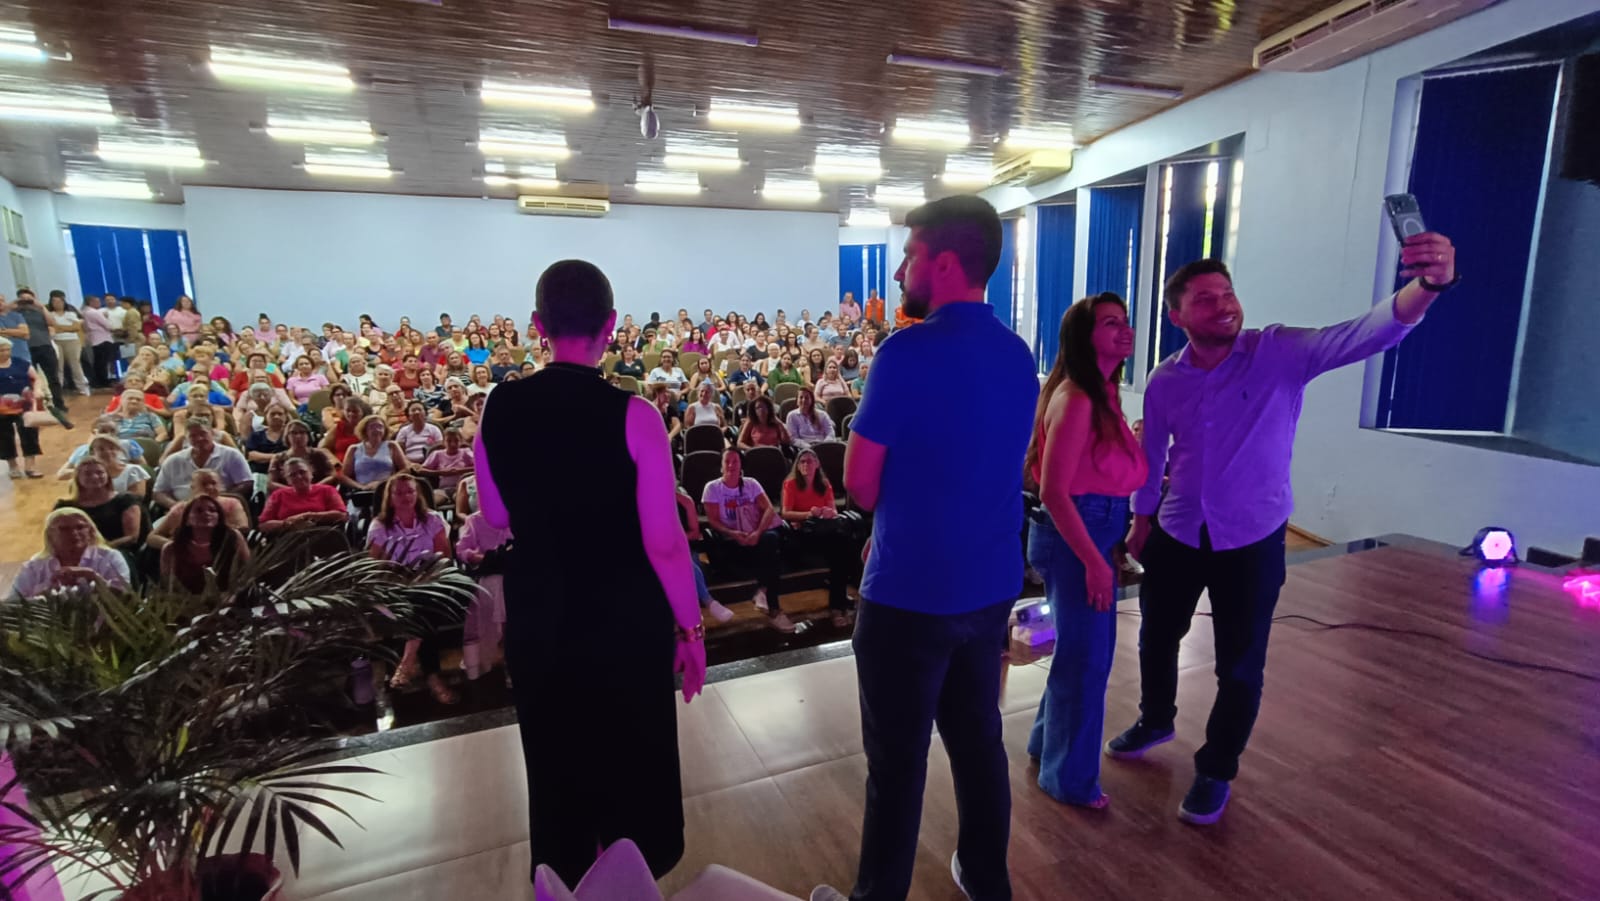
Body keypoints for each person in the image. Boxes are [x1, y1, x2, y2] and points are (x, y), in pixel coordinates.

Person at [1107, 233, 1459, 825]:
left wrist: (1428, 285)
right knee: (1156, 638)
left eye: (1227, 293)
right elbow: (1154, 453)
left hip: (1252, 539)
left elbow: (1365, 332)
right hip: (1178, 531)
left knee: (1240, 664)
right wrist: (1141, 521)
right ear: (1176, 316)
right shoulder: (1166, 379)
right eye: (1204, 298)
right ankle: (1156, 718)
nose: (1223, 305)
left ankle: (1217, 768)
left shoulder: (1279, 352)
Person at [814, 196, 1037, 901]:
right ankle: (987, 879)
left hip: (909, 592)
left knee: (898, 764)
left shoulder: (903, 353)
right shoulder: (1019, 354)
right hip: (991, 584)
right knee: (978, 742)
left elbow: (860, 485)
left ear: (942, 263)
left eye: (908, 254)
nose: (899, 270)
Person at [475, 260, 703, 886]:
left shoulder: (500, 405)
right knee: (632, 766)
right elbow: (665, 543)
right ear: (611, 325)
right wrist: (690, 630)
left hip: (541, 613)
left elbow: (495, 513)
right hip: (623, 618)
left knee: (557, 769)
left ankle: (568, 885)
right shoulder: (636, 415)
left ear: (538, 324)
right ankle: (628, 884)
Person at [1021, 292, 1147, 811]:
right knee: (1088, 660)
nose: (1125, 329)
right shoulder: (1076, 398)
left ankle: (1045, 746)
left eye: (1125, 320)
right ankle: (1068, 779)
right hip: (1076, 534)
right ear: (1083, 336)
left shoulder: (1102, 394)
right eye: (1110, 323)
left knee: (1080, 653)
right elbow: (1055, 492)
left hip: (1094, 529)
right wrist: (1095, 561)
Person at [701, 448, 790, 631]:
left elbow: (769, 509)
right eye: (727, 461)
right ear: (721, 466)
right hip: (731, 541)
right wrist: (733, 533)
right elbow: (713, 521)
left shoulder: (751, 484)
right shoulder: (712, 488)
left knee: (771, 538)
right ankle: (768, 599)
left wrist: (757, 533)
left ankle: (768, 599)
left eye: (735, 461)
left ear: (741, 465)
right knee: (771, 557)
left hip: (754, 536)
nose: (731, 465)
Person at [781, 447, 861, 628]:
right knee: (843, 549)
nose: (806, 464)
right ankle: (842, 603)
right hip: (803, 533)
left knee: (842, 550)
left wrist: (826, 512)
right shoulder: (791, 484)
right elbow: (786, 513)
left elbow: (833, 510)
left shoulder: (824, 484)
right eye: (802, 462)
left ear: (817, 464)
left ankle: (838, 606)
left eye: (810, 461)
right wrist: (809, 514)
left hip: (824, 531)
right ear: (797, 466)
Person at [9, 509, 132, 599]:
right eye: (64, 529)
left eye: (80, 527)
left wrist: (93, 577)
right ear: (50, 535)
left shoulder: (110, 557)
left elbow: (125, 598)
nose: (74, 533)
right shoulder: (34, 566)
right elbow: (12, 606)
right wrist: (47, 592)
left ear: (91, 532)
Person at [160, 493, 250, 594]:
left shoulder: (233, 538)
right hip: (187, 601)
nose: (206, 513)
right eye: (199, 510)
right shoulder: (170, 549)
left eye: (212, 510)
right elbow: (169, 587)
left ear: (219, 517)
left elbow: (248, 571)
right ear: (187, 519)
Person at [151, 421, 253, 510]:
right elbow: (158, 492)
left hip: (222, 508)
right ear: (186, 439)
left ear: (212, 433)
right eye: (193, 436)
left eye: (203, 433)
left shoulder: (232, 455)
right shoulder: (173, 460)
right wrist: (176, 506)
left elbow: (246, 484)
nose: (199, 438)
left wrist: (218, 500)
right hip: (182, 510)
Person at [54, 458, 146, 551]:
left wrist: (96, 551)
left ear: (108, 476)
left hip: (116, 552)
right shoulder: (64, 506)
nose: (95, 477)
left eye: (100, 473)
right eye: (87, 474)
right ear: (77, 478)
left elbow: (131, 537)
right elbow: (53, 535)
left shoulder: (126, 500)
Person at [147, 469, 252, 549]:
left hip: (222, 554)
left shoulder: (232, 504)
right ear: (193, 488)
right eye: (204, 484)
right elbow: (152, 537)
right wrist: (175, 546)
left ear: (221, 486)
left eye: (213, 483)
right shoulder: (181, 508)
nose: (210, 487)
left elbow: (243, 529)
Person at [12, 290, 69, 417]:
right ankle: (35, 406)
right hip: (27, 349)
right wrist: (17, 302)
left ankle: (59, 404)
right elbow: (6, 310)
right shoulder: (15, 314)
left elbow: (52, 323)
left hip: (45, 347)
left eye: (29, 298)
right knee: (31, 379)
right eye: (23, 298)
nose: (26, 301)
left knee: (53, 378)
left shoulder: (40, 310)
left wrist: (40, 306)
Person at [258, 457, 348, 535]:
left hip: (323, 534)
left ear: (311, 473)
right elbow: (263, 525)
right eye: (292, 475)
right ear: (287, 479)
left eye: (302, 472)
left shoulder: (327, 490)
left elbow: (342, 515)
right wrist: (288, 523)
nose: (299, 477)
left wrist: (308, 516)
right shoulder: (278, 495)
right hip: (289, 538)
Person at [0, 338, 44, 478]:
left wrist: (37, 389)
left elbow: (36, 378)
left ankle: (30, 467)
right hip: (2, 407)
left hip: (24, 404)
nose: (5, 353)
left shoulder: (21, 362)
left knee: (29, 434)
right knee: (4, 437)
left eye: (7, 349)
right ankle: (13, 467)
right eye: (1, 350)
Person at [340, 415, 406, 495]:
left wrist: (383, 483)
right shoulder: (354, 449)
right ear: (365, 430)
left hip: (387, 490)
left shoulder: (392, 445)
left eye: (380, 427)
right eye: (372, 427)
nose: (377, 429)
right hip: (361, 492)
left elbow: (405, 470)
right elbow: (344, 476)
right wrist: (361, 487)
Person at [268, 420, 340, 492]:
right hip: (288, 495)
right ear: (287, 436)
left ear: (308, 436)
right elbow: (271, 483)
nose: (298, 436)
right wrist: (294, 491)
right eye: (294, 433)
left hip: (317, 493)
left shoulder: (319, 454)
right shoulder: (278, 458)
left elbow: (332, 476)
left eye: (302, 432)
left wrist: (313, 489)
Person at [45, 291, 90, 397]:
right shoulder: (50, 315)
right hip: (56, 341)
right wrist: (66, 328)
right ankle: (58, 389)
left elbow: (76, 327)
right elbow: (53, 328)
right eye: (54, 301)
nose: (57, 304)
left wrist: (60, 328)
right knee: (58, 366)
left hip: (72, 341)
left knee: (75, 364)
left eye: (59, 301)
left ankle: (82, 387)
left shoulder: (71, 314)